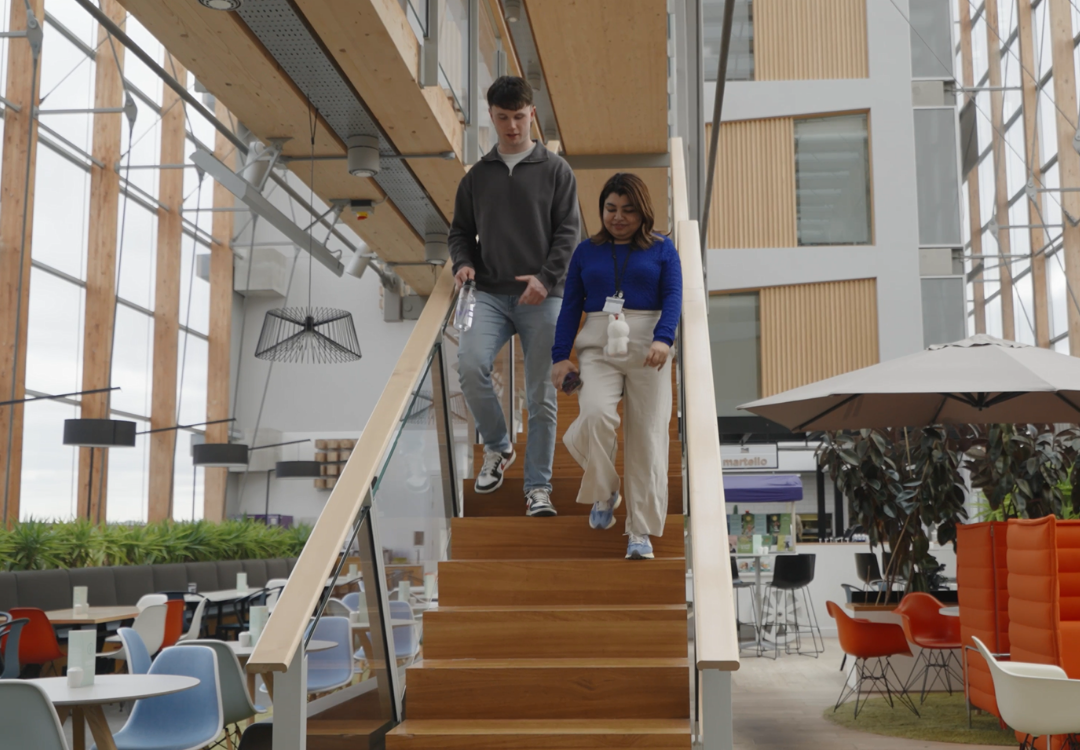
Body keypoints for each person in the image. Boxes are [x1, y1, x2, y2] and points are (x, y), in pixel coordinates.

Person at [448, 76, 580, 517]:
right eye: (503, 118)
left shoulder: (556, 170)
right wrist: (462, 261)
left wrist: (545, 278)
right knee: (469, 365)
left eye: (519, 117)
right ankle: (499, 446)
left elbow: (569, 233)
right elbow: (460, 233)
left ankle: (537, 488)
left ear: (532, 115)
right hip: (487, 292)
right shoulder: (477, 176)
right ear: (491, 116)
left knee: (541, 394)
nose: (511, 126)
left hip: (544, 295)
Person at [551, 173, 682, 560]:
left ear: (643, 212)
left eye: (628, 210)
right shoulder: (586, 252)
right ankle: (605, 490)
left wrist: (664, 337)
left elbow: (674, 294)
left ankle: (639, 531)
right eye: (611, 209)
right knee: (593, 416)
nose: (618, 217)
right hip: (597, 342)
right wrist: (560, 356)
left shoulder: (663, 248)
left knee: (647, 440)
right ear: (601, 210)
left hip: (649, 346)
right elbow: (570, 304)